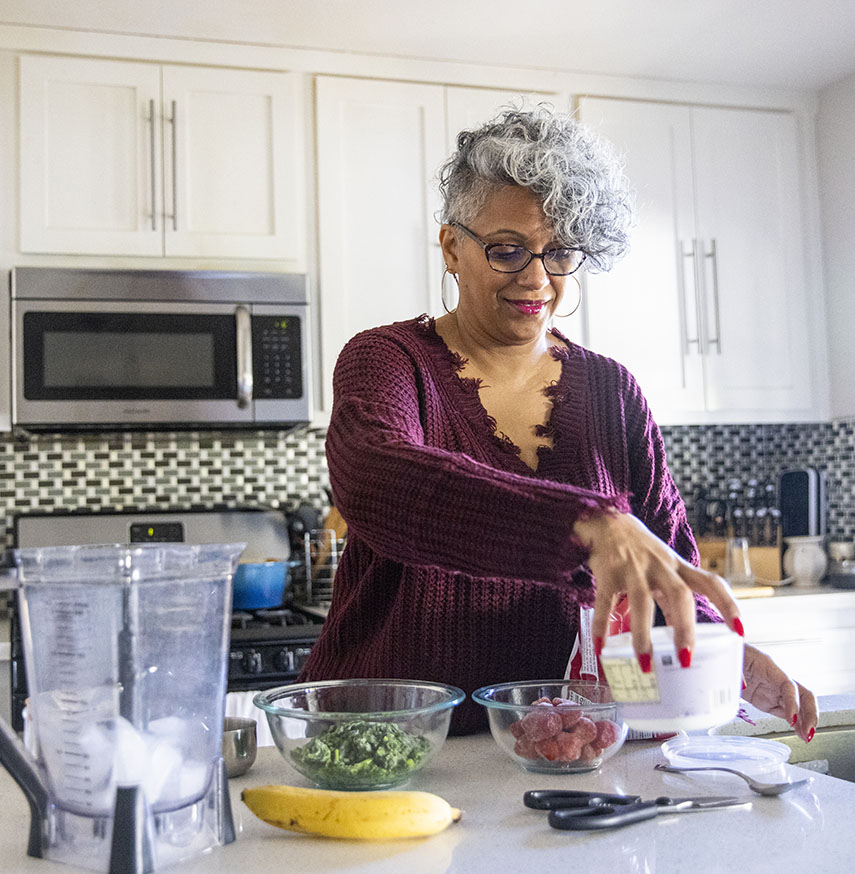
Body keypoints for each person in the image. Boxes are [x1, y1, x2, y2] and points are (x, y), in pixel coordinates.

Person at [298, 104, 818, 739]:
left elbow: (663, 564)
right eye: (508, 249)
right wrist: (584, 524)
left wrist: (720, 656)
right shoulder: (387, 359)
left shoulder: (611, 390)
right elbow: (376, 479)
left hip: (565, 750)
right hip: (389, 747)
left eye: (560, 251)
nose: (537, 278)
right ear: (452, 247)